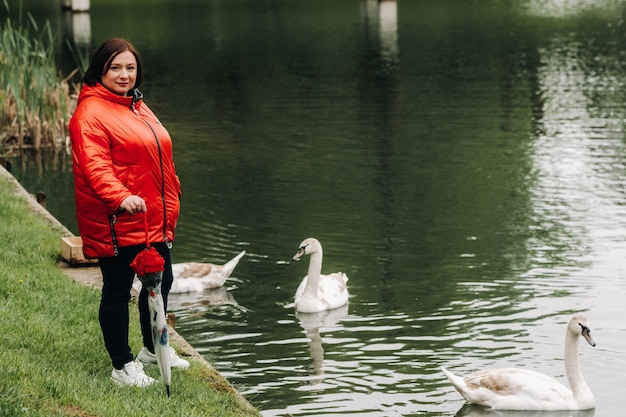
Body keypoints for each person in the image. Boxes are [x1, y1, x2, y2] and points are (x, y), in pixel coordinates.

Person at [69, 37, 189, 387]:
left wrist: (174, 188)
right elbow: (95, 167)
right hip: (118, 218)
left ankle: (153, 350)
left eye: (130, 68)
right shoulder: (90, 114)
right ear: (100, 71)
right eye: (115, 68)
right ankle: (122, 366)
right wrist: (119, 196)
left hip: (153, 216)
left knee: (161, 282)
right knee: (119, 291)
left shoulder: (135, 104)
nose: (124, 75)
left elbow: (158, 153)